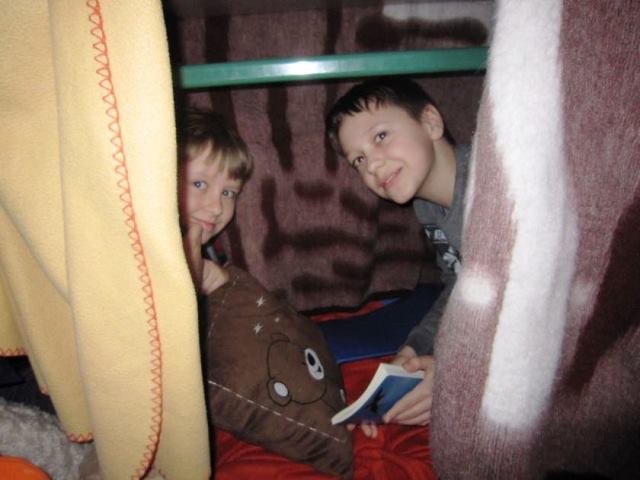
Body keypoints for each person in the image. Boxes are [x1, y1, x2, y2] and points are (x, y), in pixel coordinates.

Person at [326, 77, 469, 438]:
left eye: (380, 136)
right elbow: (461, 285)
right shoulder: (428, 208)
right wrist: (416, 348)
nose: (372, 166)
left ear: (431, 123)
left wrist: (459, 373)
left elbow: (536, 305)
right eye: (358, 160)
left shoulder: (495, 188)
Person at [177, 108, 253, 295]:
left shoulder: (213, 256)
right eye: (199, 184)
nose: (217, 208)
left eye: (228, 193)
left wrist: (225, 281)